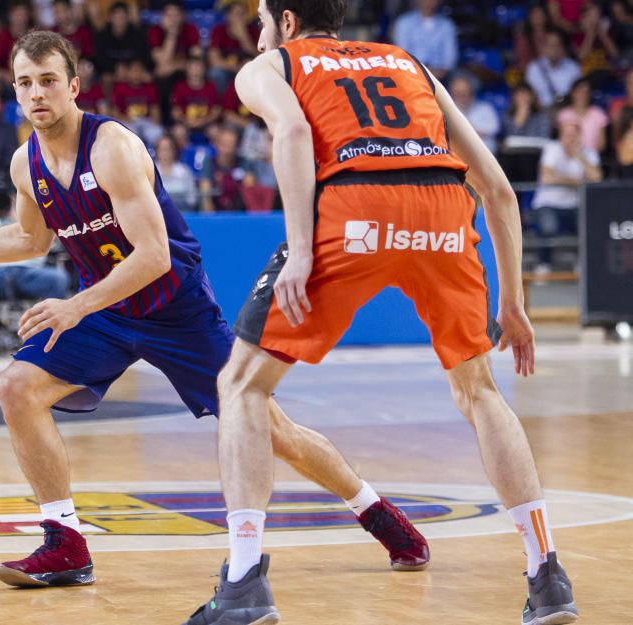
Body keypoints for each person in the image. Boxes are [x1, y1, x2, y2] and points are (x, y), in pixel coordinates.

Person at [0, 29, 429, 593]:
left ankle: (371, 508)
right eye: (25, 84)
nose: (37, 94)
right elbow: (31, 241)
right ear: (14, 91)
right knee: (17, 389)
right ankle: (65, 543)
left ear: (74, 86)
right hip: (105, 312)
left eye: (49, 81)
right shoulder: (24, 165)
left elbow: (153, 257)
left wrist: (74, 306)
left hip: (173, 308)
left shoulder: (113, 148)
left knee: (271, 429)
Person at [182, 2, 579, 624]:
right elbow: (498, 190)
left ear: (285, 21)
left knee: (241, 384)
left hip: (354, 204)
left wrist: (303, 248)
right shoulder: (410, 63)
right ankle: (547, 574)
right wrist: (515, 305)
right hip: (443, 208)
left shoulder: (272, 64)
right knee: (478, 392)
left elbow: (289, 134)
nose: (259, 32)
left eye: (261, 18)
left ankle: (243, 581)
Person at [0, 186, 70, 354]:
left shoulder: (28, 211)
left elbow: (31, 233)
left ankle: (54, 331)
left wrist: (15, 210)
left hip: (30, 273)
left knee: (59, 278)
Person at [531, 119, 602, 272]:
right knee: (548, 227)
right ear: (561, 136)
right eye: (566, 135)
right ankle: (544, 263)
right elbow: (547, 178)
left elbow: (597, 178)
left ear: (579, 136)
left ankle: (581, 263)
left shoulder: (588, 152)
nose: (570, 139)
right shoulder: (552, 148)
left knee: (587, 227)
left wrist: (578, 157)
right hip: (548, 203)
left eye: (573, 135)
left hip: (575, 204)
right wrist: (576, 181)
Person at [391, 0, 458, 81]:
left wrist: (434, 75)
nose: (427, 2)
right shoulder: (404, 22)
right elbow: (401, 55)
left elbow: (449, 61)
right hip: (410, 73)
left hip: (440, 78)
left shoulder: (447, 25)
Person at [499, 83, 552, 183]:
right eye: (519, 95)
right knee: (507, 162)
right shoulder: (507, 116)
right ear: (514, 98)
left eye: (526, 94)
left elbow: (544, 138)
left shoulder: (541, 116)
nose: (523, 98)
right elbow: (511, 138)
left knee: (525, 161)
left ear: (532, 97)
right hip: (513, 156)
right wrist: (521, 115)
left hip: (536, 155)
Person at [525, 30, 582, 109]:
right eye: (550, 45)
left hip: (567, 110)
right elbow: (530, 95)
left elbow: (580, 93)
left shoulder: (573, 67)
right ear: (543, 48)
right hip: (542, 111)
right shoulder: (534, 68)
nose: (554, 49)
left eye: (557, 45)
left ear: (562, 48)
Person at [449, 73, 501, 154]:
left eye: (464, 93)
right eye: (457, 93)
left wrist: (464, 134)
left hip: (486, 154)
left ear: (472, 92)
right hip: (458, 155)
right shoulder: (448, 110)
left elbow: (494, 128)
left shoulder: (485, 108)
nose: (461, 96)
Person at [557, 77, 609, 153]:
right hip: (568, 156)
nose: (582, 95)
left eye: (586, 92)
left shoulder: (598, 114)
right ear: (572, 93)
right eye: (579, 91)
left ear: (590, 94)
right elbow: (561, 141)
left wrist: (586, 155)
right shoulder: (564, 114)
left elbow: (601, 145)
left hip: (591, 157)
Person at [155, 133, 199, 212]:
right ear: (157, 151)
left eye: (167, 149)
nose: (164, 153)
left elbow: (192, 198)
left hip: (182, 212)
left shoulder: (184, 171)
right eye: (161, 149)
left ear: (173, 151)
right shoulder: (152, 172)